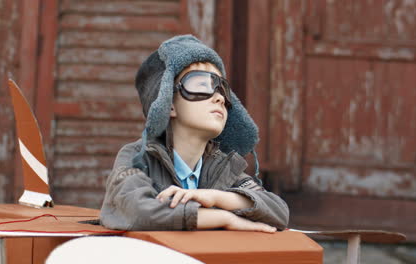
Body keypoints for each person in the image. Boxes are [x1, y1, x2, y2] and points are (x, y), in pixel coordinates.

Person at [100, 35, 289, 232]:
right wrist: (222, 218)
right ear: (169, 105)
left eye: (221, 89)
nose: (219, 98)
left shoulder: (222, 166)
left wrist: (216, 197)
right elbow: (135, 211)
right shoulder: (137, 158)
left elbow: (278, 211)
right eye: (201, 85)